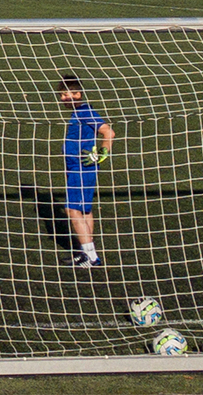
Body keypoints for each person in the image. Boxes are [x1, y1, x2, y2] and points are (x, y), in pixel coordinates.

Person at [59, 76, 115, 267]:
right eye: (62, 95)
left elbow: (108, 132)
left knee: (72, 209)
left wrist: (102, 154)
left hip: (81, 167)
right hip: (78, 167)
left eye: (69, 94)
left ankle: (90, 256)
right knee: (84, 209)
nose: (65, 98)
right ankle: (86, 252)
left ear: (79, 94)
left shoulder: (85, 111)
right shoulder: (79, 112)